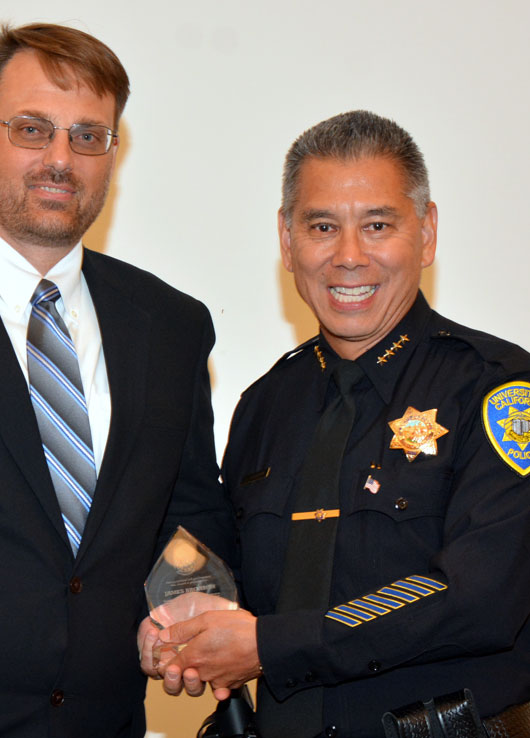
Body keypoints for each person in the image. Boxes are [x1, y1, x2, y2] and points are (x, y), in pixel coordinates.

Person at [0, 22, 232, 738]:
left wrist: (190, 602)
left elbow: (185, 511)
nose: (60, 160)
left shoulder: (170, 325)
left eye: (88, 136)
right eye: (33, 129)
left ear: (114, 153)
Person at [140, 111, 530, 737]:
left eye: (378, 225)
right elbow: (233, 580)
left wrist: (270, 645)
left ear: (426, 234)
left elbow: (479, 598)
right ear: (287, 241)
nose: (349, 257)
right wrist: (181, 623)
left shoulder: (497, 389)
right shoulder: (265, 405)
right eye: (322, 226)